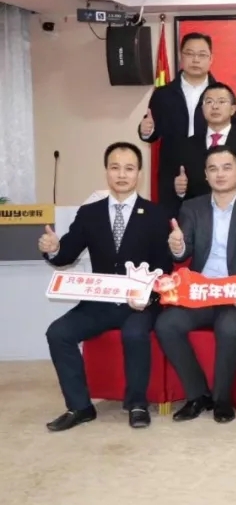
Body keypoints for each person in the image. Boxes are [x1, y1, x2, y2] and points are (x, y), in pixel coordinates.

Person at [40, 142, 173, 431]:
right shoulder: (90, 213)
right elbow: (66, 254)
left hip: (140, 303)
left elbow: (165, 266)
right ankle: (80, 407)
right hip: (99, 302)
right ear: (106, 172)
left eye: (129, 168)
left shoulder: (156, 214)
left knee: (134, 333)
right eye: (115, 168)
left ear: (139, 173)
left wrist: (148, 296)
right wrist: (53, 249)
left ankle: (137, 404)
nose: (122, 174)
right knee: (58, 333)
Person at [155, 146, 236, 423]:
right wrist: (178, 246)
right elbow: (183, 252)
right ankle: (198, 395)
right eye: (213, 169)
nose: (220, 174)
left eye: (226, 167)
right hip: (201, 292)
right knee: (166, 324)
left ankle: (222, 399)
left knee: (229, 327)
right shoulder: (192, 208)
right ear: (206, 175)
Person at [138, 32, 220, 217]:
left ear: (211, 59)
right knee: (173, 226)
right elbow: (152, 131)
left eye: (202, 55)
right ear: (181, 56)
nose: (195, 60)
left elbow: (234, 130)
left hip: (211, 171)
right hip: (172, 172)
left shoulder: (221, 94)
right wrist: (145, 131)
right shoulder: (163, 94)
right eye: (190, 54)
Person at [174, 82, 236, 203]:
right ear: (202, 109)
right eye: (209, 102)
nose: (215, 107)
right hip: (198, 212)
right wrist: (180, 191)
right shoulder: (187, 145)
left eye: (221, 102)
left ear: (232, 109)